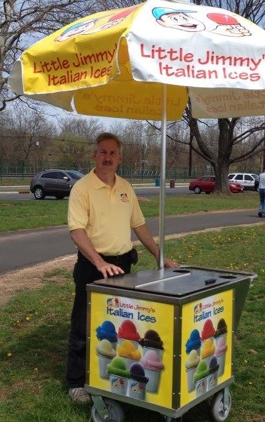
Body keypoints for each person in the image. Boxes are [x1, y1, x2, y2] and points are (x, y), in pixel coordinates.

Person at [66, 132, 179, 403]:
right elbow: (77, 231)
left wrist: (159, 255)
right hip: (93, 266)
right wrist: (99, 262)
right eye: (103, 152)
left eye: (112, 153)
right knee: (84, 324)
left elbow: (138, 225)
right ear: (94, 156)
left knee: (121, 322)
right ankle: (76, 383)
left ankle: (115, 374)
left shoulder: (126, 187)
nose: (107, 157)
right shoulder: (82, 188)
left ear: (120, 158)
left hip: (124, 265)